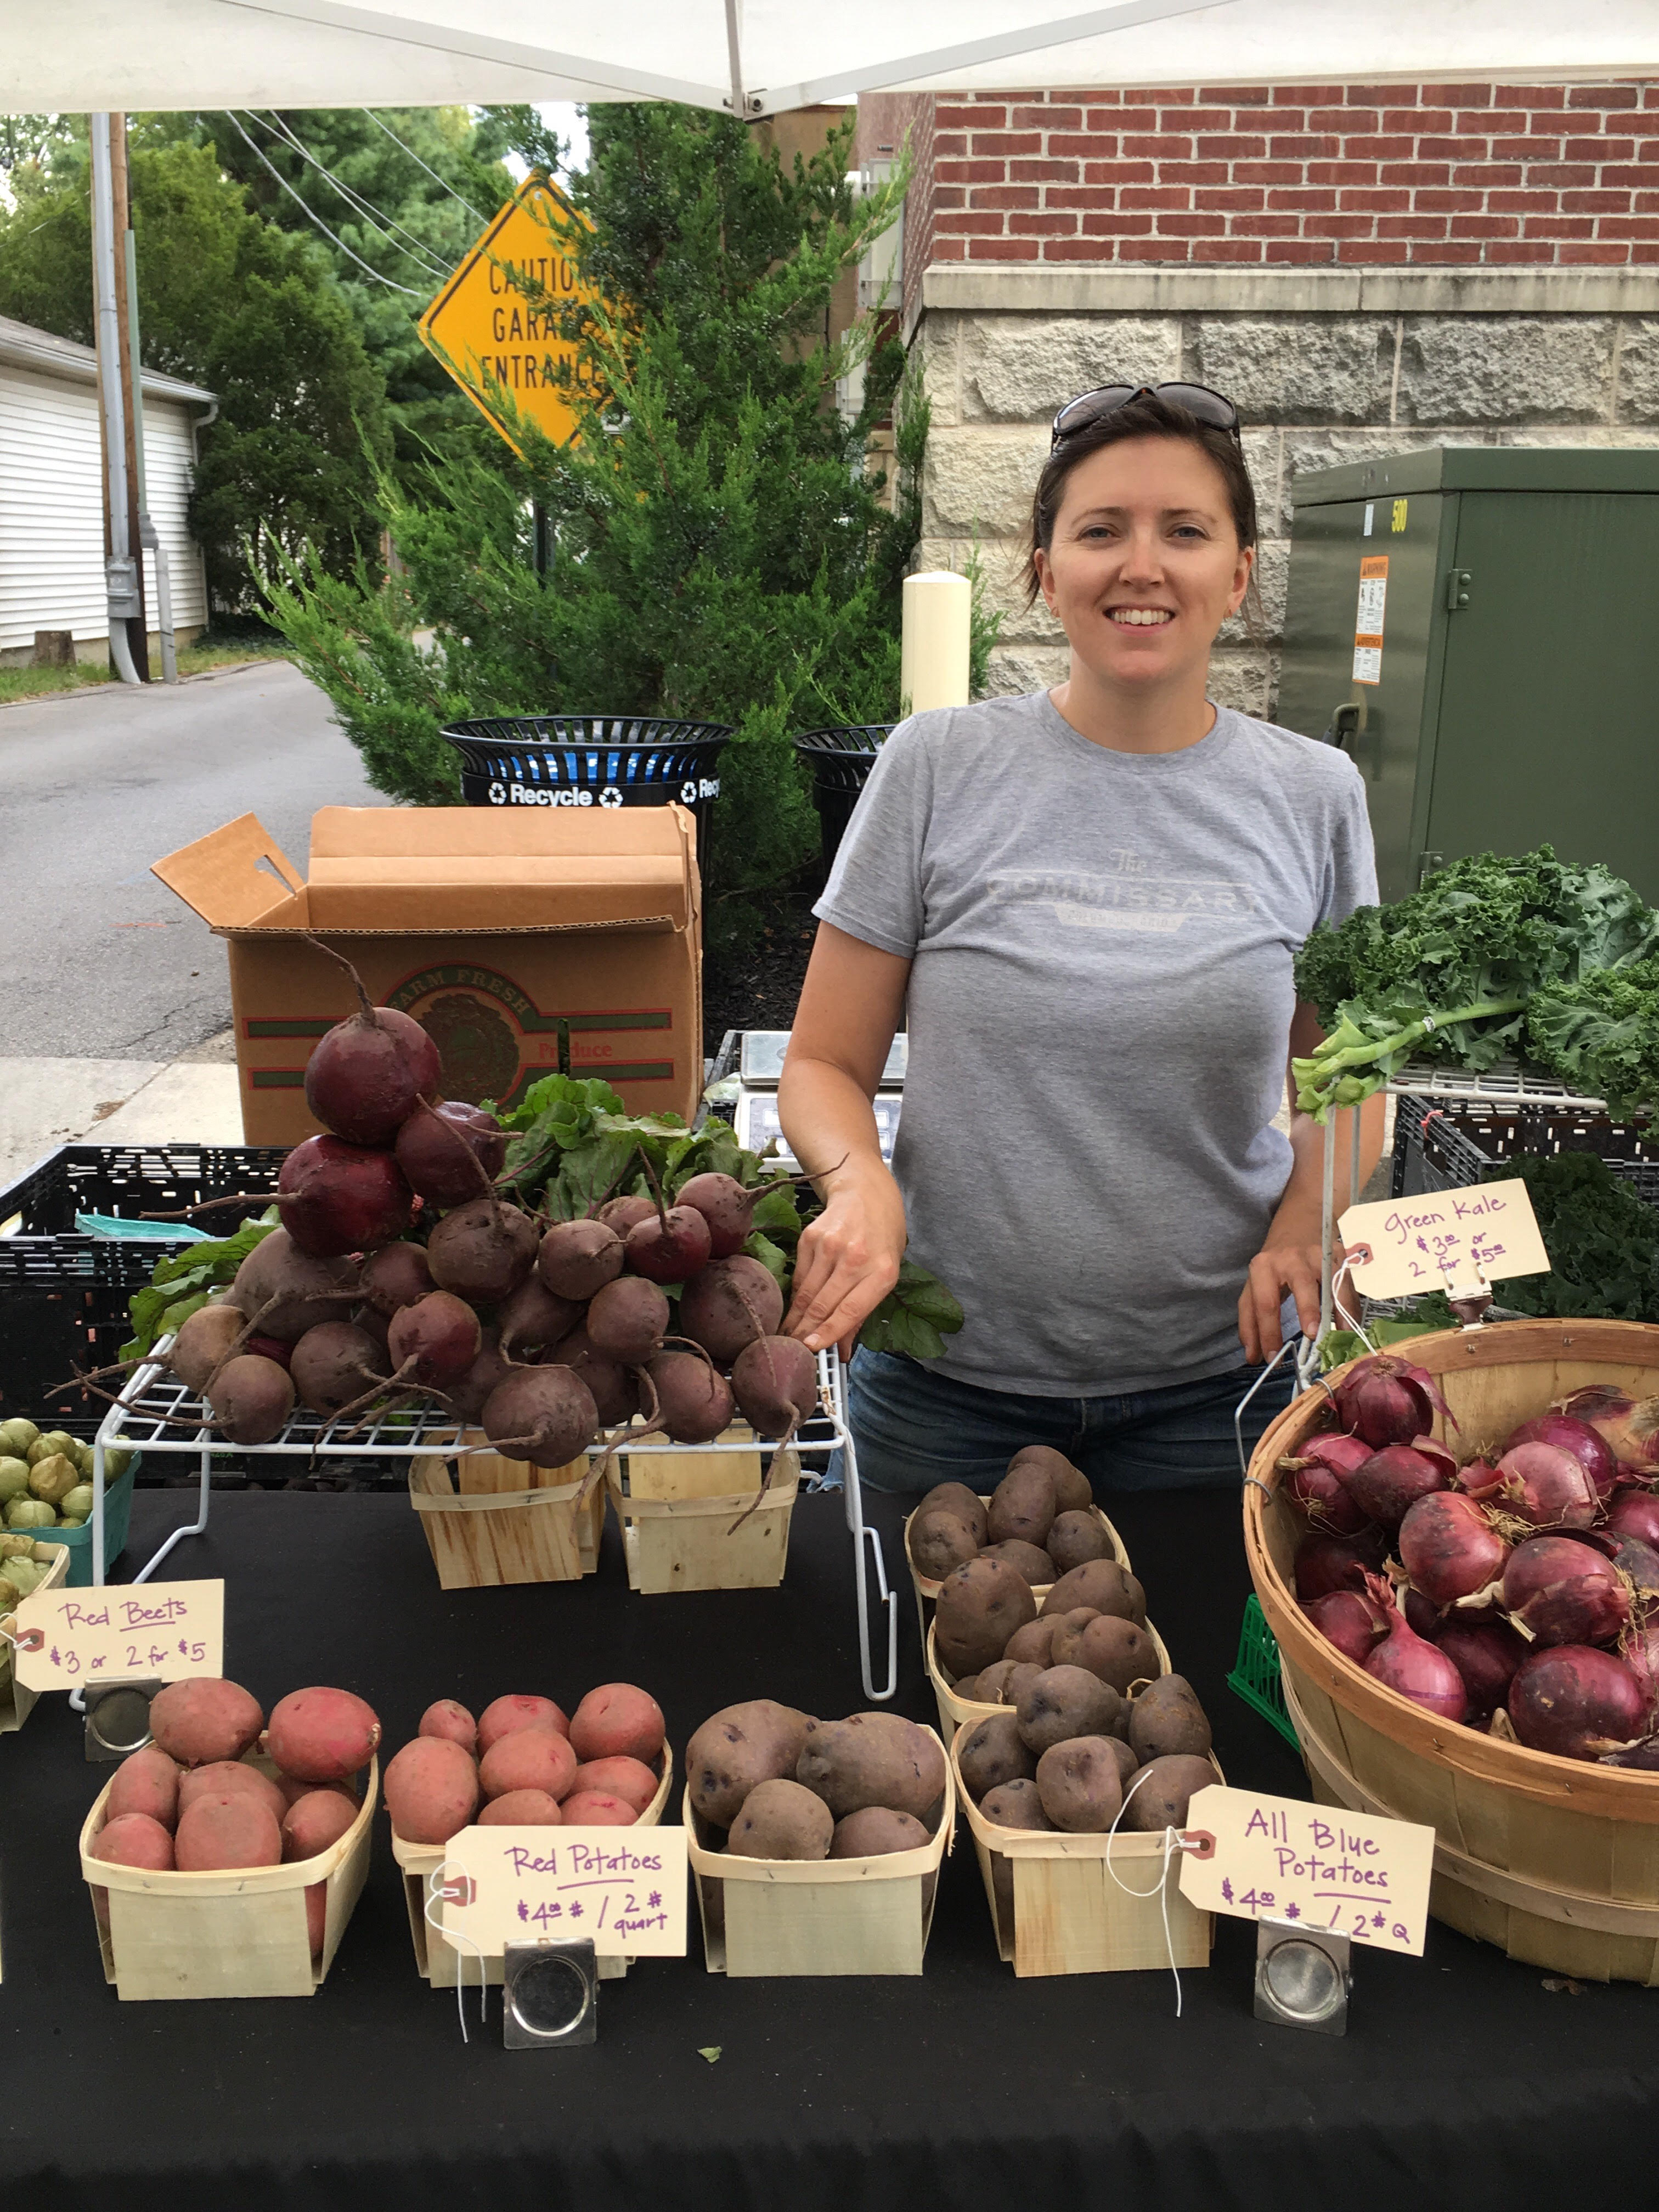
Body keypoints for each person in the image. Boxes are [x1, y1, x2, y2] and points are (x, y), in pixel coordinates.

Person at [776, 383, 1383, 1494]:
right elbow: (823, 1064)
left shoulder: (1315, 794)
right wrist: (858, 1188)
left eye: (1185, 531)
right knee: (914, 1616)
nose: (1141, 567)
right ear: (1047, 573)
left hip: (1221, 1383)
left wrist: (1307, 1219)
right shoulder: (935, 767)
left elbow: (1349, 1076)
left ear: (1239, 576)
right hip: (941, 1376)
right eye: (1101, 531)